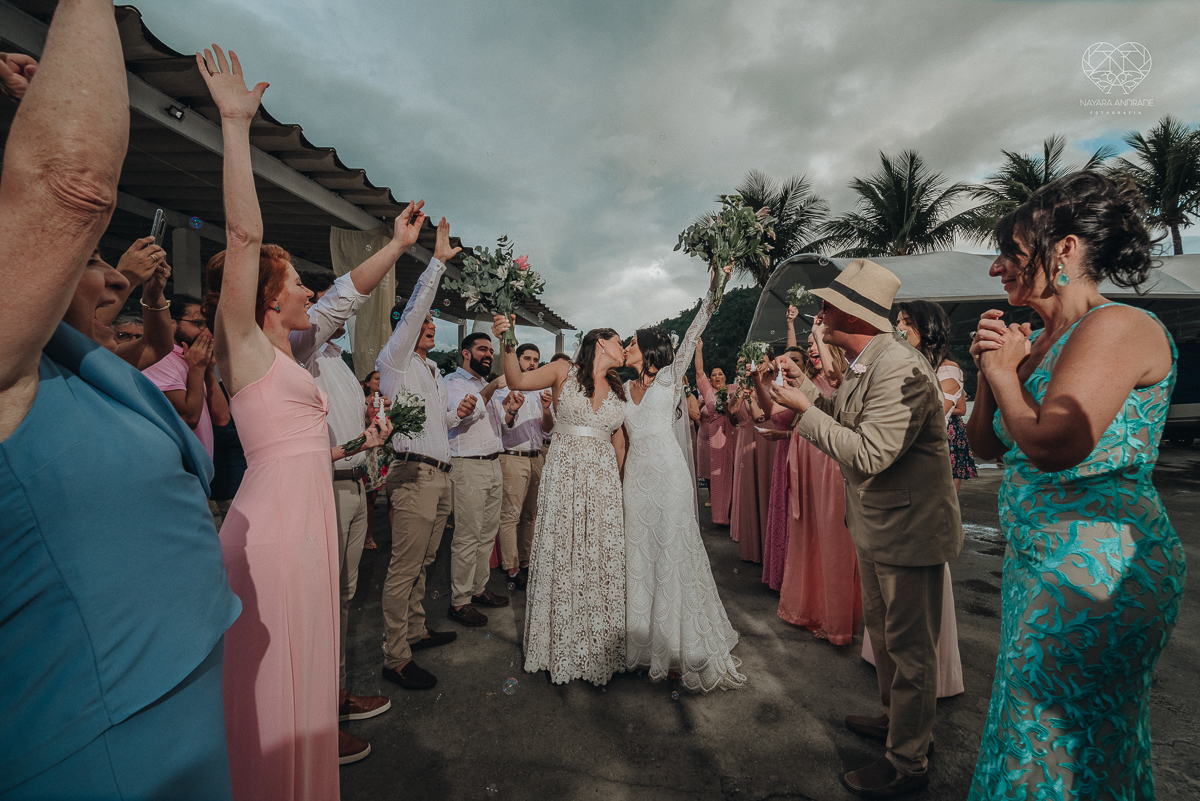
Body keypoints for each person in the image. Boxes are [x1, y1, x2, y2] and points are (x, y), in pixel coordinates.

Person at [0, 8, 241, 798]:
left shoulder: (83, 367)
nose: (110, 276)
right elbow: (71, 186)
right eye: (98, 262)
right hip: (99, 744)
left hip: (177, 725)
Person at [197, 44, 390, 801]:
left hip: (309, 521)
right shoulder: (244, 348)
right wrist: (236, 127)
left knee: (308, 670)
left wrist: (402, 249)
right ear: (268, 299)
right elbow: (243, 238)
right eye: (296, 280)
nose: (310, 286)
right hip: (272, 531)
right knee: (270, 676)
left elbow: (348, 292)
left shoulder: (300, 347)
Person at [965, 172, 1185, 801]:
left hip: (1098, 571)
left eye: (1010, 250)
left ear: (1061, 250)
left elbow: (1057, 443)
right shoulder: (1033, 344)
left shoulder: (1119, 327)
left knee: (1061, 736)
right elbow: (986, 446)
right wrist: (992, 371)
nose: (996, 269)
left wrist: (1007, 374)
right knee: (1032, 729)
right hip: (1040, 564)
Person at [769, 259, 962, 798]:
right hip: (881, 527)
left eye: (829, 305)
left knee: (909, 649)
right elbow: (849, 418)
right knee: (887, 638)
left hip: (909, 531)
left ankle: (908, 762)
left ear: (853, 313)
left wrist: (805, 410)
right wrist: (809, 388)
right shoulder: (867, 362)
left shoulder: (897, 366)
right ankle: (898, 723)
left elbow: (872, 451)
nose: (821, 312)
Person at [621, 268, 746, 691]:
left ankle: (679, 648)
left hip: (670, 479)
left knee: (672, 554)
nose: (625, 347)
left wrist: (717, 281)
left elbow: (696, 327)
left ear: (649, 349)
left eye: (631, 343)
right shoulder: (622, 390)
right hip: (635, 481)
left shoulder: (671, 379)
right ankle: (646, 643)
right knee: (640, 557)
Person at [492, 315, 628, 686]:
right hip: (565, 476)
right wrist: (507, 339)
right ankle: (559, 642)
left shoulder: (620, 388)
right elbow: (518, 380)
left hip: (602, 482)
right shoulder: (563, 370)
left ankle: (597, 642)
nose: (624, 348)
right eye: (619, 341)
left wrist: (616, 485)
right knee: (565, 549)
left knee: (597, 554)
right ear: (601, 342)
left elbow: (618, 441)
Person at [375, 217, 464, 691]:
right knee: (404, 566)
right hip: (411, 476)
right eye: (422, 323)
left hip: (439, 474)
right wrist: (435, 264)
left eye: (432, 323)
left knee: (426, 562)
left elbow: (436, 427)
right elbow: (411, 315)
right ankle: (395, 656)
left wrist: (461, 413)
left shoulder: (429, 371)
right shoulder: (392, 361)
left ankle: (414, 629)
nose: (428, 326)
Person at [863, 299, 963, 699]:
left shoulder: (946, 370)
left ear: (929, 327)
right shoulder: (900, 363)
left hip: (925, 484)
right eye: (898, 321)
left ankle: (926, 693)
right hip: (897, 483)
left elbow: (935, 410)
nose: (900, 328)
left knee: (920, 592)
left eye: (908, 322)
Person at [444, 333, 509, 625]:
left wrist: (512, 410)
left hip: (494, 463)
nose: (489, 354)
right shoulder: (452, 383)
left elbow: (499, 427)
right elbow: (465, 416)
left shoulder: (485, 384)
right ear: (465, 353)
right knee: (467, 537)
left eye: (491, 350)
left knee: (487, 535)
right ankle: (459, 603)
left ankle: (478, 590)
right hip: (467, 466)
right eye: (482, 349)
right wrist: (495, 386)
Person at [142, 293, 232, 461]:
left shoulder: (191, 359)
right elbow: (188, 418)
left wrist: (209, 370)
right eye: (199, 324)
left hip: (201, 468)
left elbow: (222, 418)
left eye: (207, 325)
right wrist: (197, 368)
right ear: (171, 324)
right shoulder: (159, 360)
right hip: (176, 465)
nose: (208, 333)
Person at [495, 342, 554, 589]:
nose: (532, 363)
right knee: (510, 516)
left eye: (536, 359)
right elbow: (500, 425)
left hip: (536, 456)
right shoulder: (503, 387)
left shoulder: (541, 390)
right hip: (512, 456)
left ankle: (526, 561)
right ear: (517, 360)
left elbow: (547, 430)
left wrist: (547, 409)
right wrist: (511, 408)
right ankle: (511, 569)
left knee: (529, 516)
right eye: (527, 358)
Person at [98, 236, 175, 369]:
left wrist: (153, 295)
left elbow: (156, 345)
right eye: (91, 263)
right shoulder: (55, 347)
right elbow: (79, 339)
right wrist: (128, 277)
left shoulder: (98, 360)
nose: (109, 272)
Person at [695, 341, 733, 522]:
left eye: (720, 374)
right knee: (717, 473)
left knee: (732, 472)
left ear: (726, 376)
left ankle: (734, 510)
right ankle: (720, 514)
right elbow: (699, 372)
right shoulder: (708, 392)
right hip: (715, 434)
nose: (717, 377)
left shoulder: (734, 389)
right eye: (714, 375)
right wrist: (699, 350)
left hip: (733, 432)